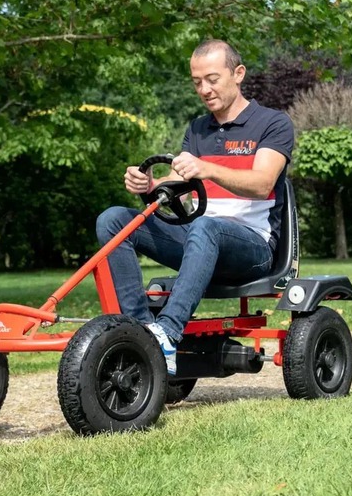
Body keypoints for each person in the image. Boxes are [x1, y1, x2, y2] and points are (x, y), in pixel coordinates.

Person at [95, 39, 294, 374]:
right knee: (112, 220)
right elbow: (177, 182)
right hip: (199, 239)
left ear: (238, 74)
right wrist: (150, 185)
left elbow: (262, 183)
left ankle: (168, 333)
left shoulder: (273, 123)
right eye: (197, 82)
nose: (204, 90)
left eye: (212, 79)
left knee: (205, 226)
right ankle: (141, 331)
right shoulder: (198, 129)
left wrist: (208, 169)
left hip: (253, 249)